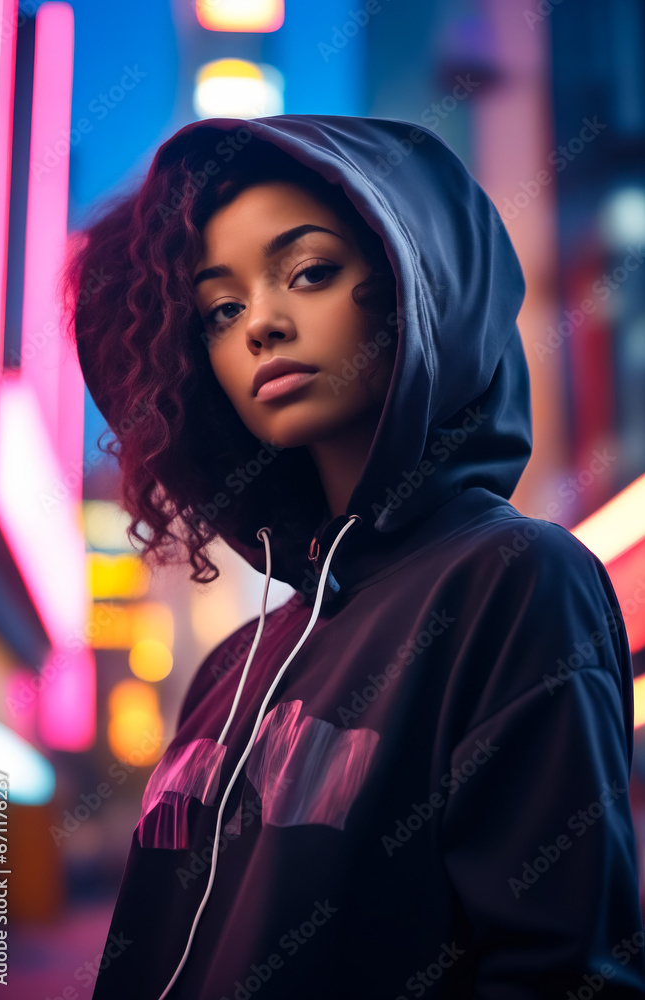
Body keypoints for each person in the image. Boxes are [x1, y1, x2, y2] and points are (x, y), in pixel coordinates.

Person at [62, 114, 645, 1000]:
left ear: (419, 290)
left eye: (310, 273)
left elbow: (559, 971)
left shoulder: (513, 578)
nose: (260, 324)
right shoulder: (230, 665)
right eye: (220, 309)